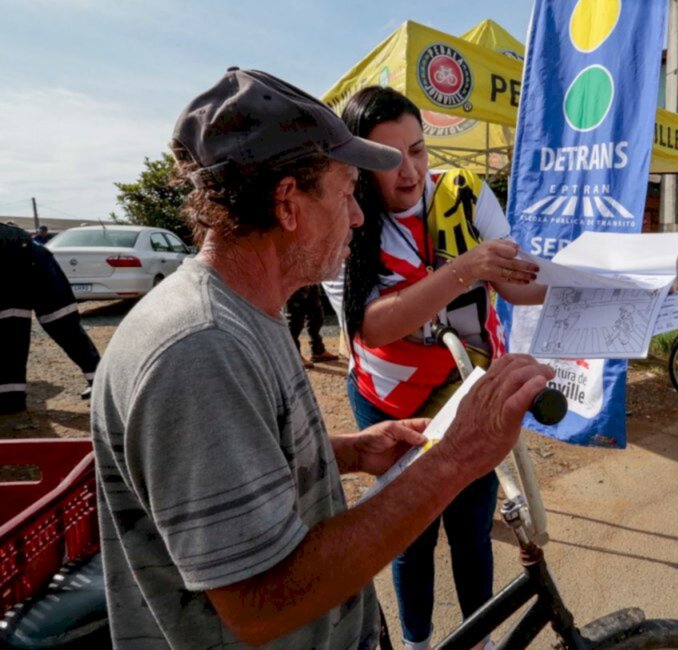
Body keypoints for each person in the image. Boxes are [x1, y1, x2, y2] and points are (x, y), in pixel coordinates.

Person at [90, 67, 554, 648]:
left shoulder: (242, 314)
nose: (358, 216)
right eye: (343, 194)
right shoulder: (199, 350)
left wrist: (349, 452)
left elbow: (243, 465)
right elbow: (259, 606)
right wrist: (454, 459)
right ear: (289, 204)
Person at [324, 85, 546, 650]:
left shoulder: (467, 193)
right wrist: (464, 268)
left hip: (466, 387)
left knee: (472, 527)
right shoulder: (345, 215)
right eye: (388, 158)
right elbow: (372, 325)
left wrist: (604, 286)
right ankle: (419, 642)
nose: (409, 172)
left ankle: (481, 638)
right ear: (358, 162)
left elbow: (518, 288)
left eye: (418, 151)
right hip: (388, 399)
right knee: (409, 533)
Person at [1, 222, 100, 414]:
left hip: (28, 264)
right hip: (27, 262)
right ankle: (9, 399)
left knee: (60, 325)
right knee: (11, 332)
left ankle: (9, 400)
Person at [286, 284, 339, 368]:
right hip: (293, 278)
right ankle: (294, 357)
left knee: (316, 315)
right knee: (295, 320)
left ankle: (318, 351)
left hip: (310, 278)